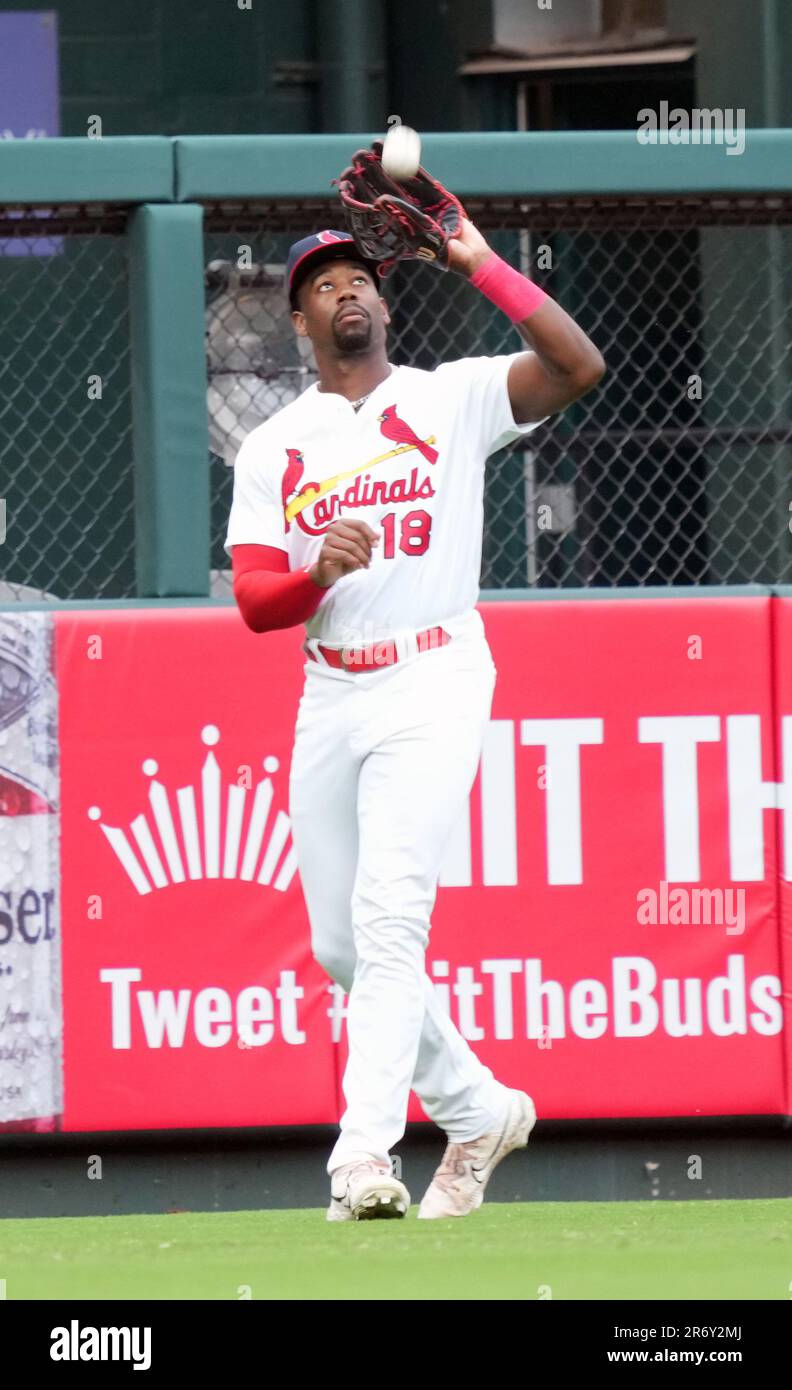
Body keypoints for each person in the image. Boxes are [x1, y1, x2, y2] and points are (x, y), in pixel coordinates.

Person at [224, 218, 605, 1220]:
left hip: (435, 671)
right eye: (323, 283)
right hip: (332, 683)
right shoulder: (275, 445)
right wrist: (318, 574)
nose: (345, 290)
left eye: (360, 278)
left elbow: (577, 364)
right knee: (340, 945)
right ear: (301, 315)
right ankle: (478, 1108)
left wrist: (478, 261)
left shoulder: (449, 398)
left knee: (393, 917)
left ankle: (362, 1156)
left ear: (385, 306)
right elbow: (258, 602)